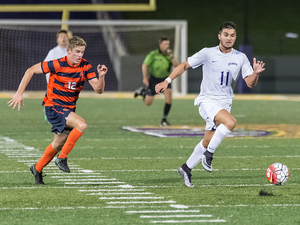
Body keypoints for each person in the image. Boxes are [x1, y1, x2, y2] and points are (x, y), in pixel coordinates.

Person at [155, 21, 265, 187]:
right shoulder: (207, 53)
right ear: (219, 36)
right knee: (230, 122)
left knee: (207, 140)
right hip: (207, 101)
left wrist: (255, 73)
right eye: (226, 35)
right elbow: (184, 65)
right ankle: (209, 155)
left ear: (235, 37)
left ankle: (186, 168)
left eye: (232, 35)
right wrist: (167, 81)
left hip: (224, 104)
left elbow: (250, 83)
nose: (229, 38)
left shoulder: (240, 57)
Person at [8, 36, 108, 185]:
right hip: (53, 106)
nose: (80, 55)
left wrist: (101, 77)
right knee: (82, 125)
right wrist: (19, 92)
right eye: (77, 52)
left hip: (68, 108)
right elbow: (31, 70)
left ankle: (37, 168)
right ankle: (62, 158)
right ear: (68, 51)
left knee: (58, 143)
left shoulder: (85, 66)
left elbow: (98, 90)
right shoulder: (57, 64)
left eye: (82, 52)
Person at [134, 37, 179, 126]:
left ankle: (164, 119)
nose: (166, 46)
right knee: (148, 103)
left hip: (165, 80)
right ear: (160, 44)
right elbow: (145, 64)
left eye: (168, 44)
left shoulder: (169, 55)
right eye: (165, 44)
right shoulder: (153, 54)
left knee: (169, 97)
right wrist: (145, 78)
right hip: (153, 80)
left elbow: (176, 66)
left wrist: (172, 56)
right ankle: (143, 92)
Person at [43, 29, 69, 123]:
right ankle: (48, 113)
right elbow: (46, 66)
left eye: (65, 36)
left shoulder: (70, 52)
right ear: (57, 39)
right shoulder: (53, 52)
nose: (63, 39)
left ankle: (63, 116)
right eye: (61, 37)